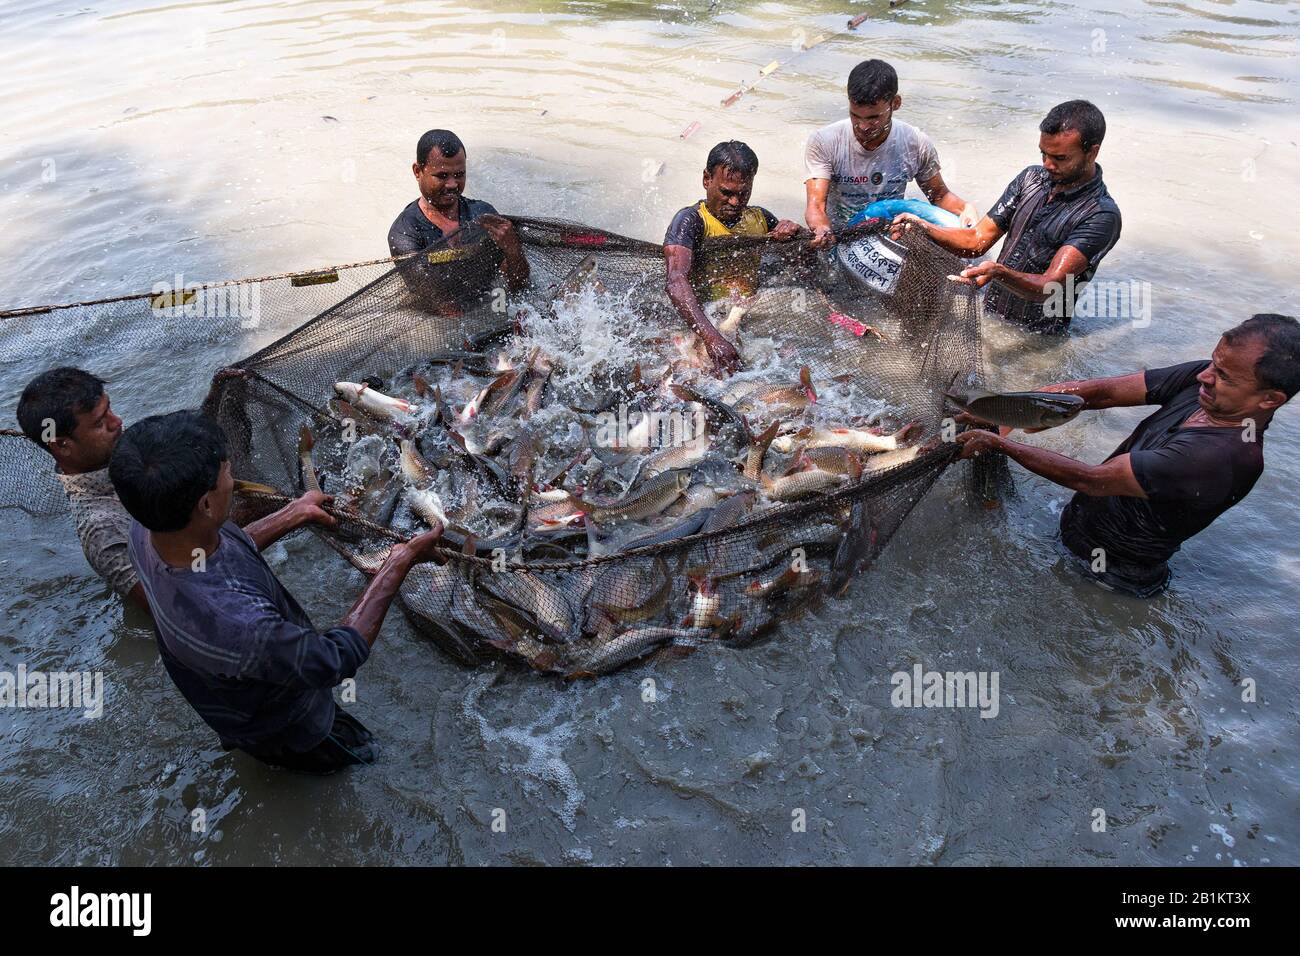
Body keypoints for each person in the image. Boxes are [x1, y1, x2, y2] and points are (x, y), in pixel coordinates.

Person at [109, 410, 444, 773]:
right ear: (205, 504)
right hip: (293, 728)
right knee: (362, 761)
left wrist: (294, 513)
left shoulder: (148, 531)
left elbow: (226, 554)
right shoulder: (241, 626)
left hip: (227, 692)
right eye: (226, 473)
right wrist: (398, 562)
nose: (233, 479)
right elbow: (332, 660)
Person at [955, 314, 1299, 596]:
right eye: (1213, 362)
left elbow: (1090, 480)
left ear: (1269, 400)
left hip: (1113, 578)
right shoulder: (1206, 383)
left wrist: (998, 444)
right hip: (1074, 532)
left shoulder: (1220, 458)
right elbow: (1103, 393)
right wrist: (1009, 411)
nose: (1203, 376)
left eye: (1222, 375)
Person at [891, 100, 1121, 333]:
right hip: (988, 315)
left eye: (1060, 158)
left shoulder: (1100, 215)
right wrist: (924, 227)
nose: (1047, 165)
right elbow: (976, 241)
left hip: (1037, 338)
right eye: (1043, 154)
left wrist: (1000, 273)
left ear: (1092, 151)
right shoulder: (1031, 179)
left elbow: (1052, 287)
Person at [805, 59, 976, 248]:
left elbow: (939, 196)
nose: (862, 126)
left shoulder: (916, 143)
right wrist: (822, 229)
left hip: (892, 234)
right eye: (855, 115)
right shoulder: (825, 141)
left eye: (873, 118)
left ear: (895, 103)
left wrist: (964, 208)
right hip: (841, 237)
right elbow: (816, 205)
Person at [663, 141, 801, 374]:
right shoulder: (690, 221)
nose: (735, 202)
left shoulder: (761, 218)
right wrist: (712, 338)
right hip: (705, 318)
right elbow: (676, 282)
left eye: (743, 193)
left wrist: (795, 233)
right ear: (707, 179)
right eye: (726, 193)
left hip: (744, 312)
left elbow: (800, 261)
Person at [17, 368, 145, 609]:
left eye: (109, 408)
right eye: (99, 422)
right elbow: (167, 610)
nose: (117, 422)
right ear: (62, 446)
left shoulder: (120, 449)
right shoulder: (101, 528)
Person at [387, 128, 529, 307]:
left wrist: (513, 250)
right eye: (442, 176)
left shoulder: (483, 214)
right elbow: (436, 300)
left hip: (491, 304)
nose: (452, 184)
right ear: (418, 171)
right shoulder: (405, 233)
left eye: (459, 175)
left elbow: (518, 285)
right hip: (440, 322)